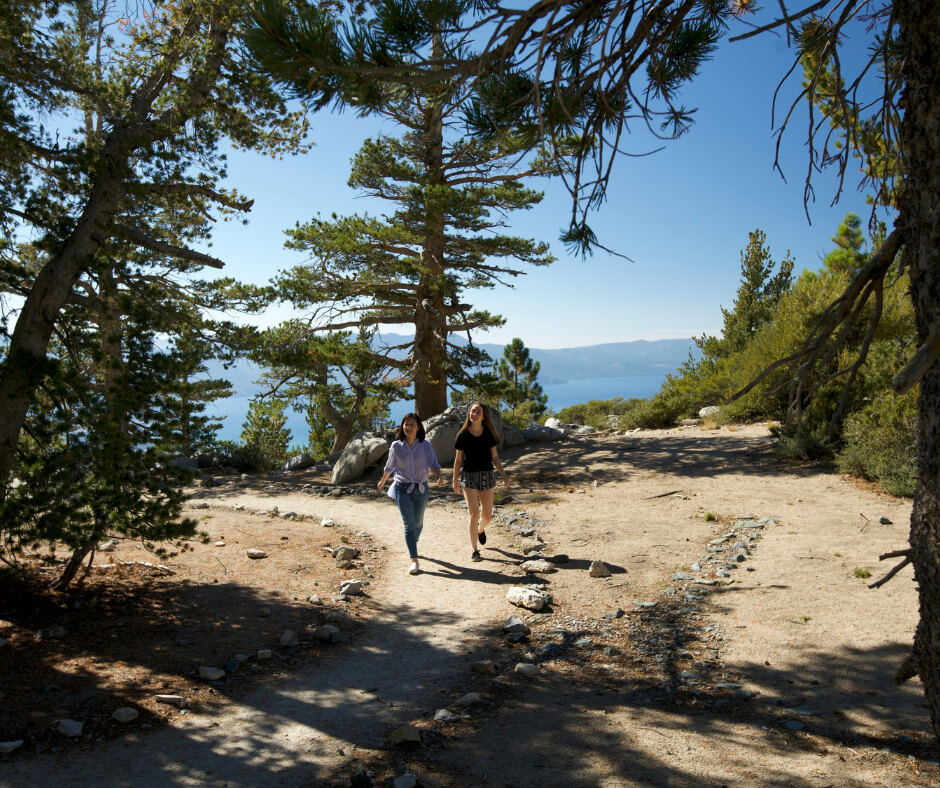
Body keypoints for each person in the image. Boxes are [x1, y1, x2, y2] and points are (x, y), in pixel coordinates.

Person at [378, 413, 442, 575]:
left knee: (418, 522)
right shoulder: (396, 446)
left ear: (418, 427)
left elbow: (434, 464)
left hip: (421, 488)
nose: (408, 427)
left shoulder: (426, 446)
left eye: (412, 424)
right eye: (406, 424)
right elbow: (389, 466)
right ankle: (414, 560)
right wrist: (383, 481)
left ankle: (413, 540)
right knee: (408, 524)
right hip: (402, 488)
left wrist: (438, 475)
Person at [452, 402, 509, 562]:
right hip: (468, 476)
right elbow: (458, 459)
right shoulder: (462, 435)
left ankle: (480, 529)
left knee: (487, 515)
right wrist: (454, 479)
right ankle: (475, 551)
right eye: (472, 411)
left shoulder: (489, 434)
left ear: (483, 416)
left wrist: (503, 474)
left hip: (487, 474)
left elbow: (495, 457)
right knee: (474, 513)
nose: (474, 414)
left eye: (477, 412)